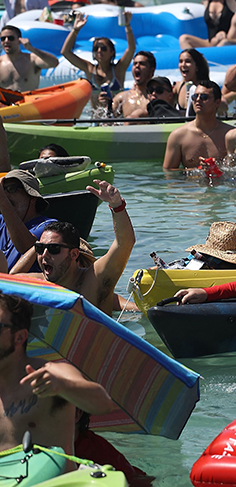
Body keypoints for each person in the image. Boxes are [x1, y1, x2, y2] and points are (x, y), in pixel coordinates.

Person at [0, 292, 117, 462]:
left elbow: (104, 404)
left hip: (53, 476)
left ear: (19, 337)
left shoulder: (53, 373)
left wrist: (63, 386)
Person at [27, 180, 133, 315]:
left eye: (53, 249)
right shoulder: (36, 283)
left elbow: (124, 243)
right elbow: (8, 280)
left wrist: (117, 205)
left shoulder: (94, 281)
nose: (45, 254)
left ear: (74, 254)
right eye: (40, 248)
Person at [60, 12, 135, 109]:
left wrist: (128, 26)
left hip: (116, 116)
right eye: (96, 49)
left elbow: (131, 49)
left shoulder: (118, 70)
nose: (99, 51)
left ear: (112, 52)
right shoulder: (89, 69)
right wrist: (75, 30)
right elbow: (65, 52)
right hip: (95, 117)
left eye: (103, 48)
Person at [163, 80, 233, 170]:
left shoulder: (230, 135)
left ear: (217, 103)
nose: (198, 99)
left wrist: (217, 169)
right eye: (195, 96)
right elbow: (169, 172)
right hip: (191, 180)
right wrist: (197, 171)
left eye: (204, 97)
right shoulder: (178, 136)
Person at [0, 170, 55, 273]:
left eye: (11, 189)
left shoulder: (48, 227)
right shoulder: (1, 220)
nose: (5, 194)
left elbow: (26, 247)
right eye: (3, 190)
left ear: (32, 197)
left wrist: (3, 200)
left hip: (21, 282)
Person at [0, 25, 58, 91]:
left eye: (10, 38)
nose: (6, 41)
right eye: (3, 39)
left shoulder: (32, 60)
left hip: (28, 97)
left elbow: (54, 63)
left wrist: (32, 49)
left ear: (19, 40)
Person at [110, 51, 156, 118]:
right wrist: (106, 104)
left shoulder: (158, 96)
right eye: (135, 63)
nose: (137, 66)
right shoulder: (122, 98)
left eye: (142, 64)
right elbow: (107, 119)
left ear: (152, 71)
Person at [172, 48, 210, 115]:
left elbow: (224, 106)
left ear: (197, 66)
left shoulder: (207, 87)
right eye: (181, 61)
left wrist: (203, 98)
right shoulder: (178, 86)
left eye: (188, 61)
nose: (183, 65)